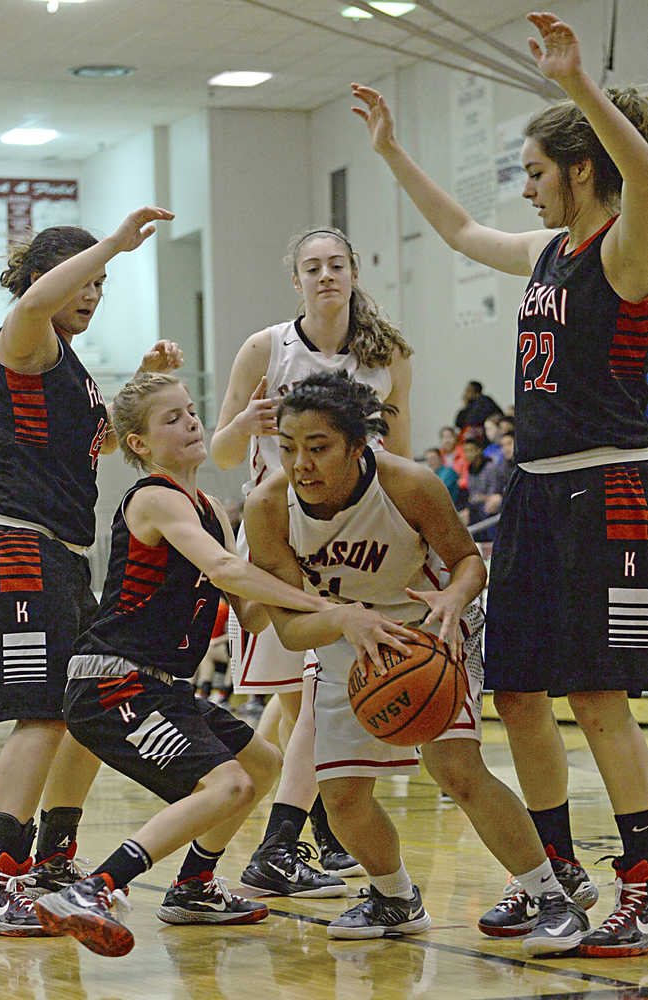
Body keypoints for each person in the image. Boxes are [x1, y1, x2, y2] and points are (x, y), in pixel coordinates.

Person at [353, 9, 648, 956]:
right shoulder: (542, 254)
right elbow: (456, 230)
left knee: (598, 699)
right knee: (516, 693)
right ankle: (555, 875)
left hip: (609, 491)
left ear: (582, 168)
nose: (525, 190)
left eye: (534, 172)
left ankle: (642, 886)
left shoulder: (625, 249)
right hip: (530, 496)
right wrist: (392, 152)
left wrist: (576, 87)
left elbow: (644, 172)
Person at [31, 372, 399, 957]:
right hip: (113, 680)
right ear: (140, 444)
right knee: (226, 784)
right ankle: (95, 888)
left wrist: (310, 579)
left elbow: (249, 614)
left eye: (191, 411)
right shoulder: (154, 497)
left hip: (163, 686)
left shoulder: (213, 513)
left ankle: (194, 886)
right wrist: (328, 607)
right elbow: (226, 572)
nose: (192, 422)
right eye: (171, 418)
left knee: (262, 761)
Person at [243, 370, 588, 954]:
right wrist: (347, 623)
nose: (301, 464)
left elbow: (466, 563)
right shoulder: (269, 507)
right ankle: (394, 897)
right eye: (289, 447)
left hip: (429, 631)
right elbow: (289, 627)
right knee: (341, 796)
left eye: (318, 447)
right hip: (341, 638)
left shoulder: (409, 484)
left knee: (456, 767)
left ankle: (552, 897)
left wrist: (455, 598)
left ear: (359, 446)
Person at [0, 207, 184, 937]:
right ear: (45, 280)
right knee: (45, 713)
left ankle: (54, 859)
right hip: (16, 545)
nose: (93, 293)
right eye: (86, 279)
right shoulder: (25, 335)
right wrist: (112, 242)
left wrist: (147, 382)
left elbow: (99, 444)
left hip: (60, 553)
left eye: (103, 283)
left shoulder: (71, 365)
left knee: (82, 708)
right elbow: (32, 301)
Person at [211, 225, 413, 892]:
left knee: (312, 699)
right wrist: (245, 426)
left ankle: (292, 839)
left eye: (336, 264)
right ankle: (313, 835)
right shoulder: (266, 348)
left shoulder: (387, 356)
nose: (325, 275)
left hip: (358, 543)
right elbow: (221, 454)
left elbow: (399, 460)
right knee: (304, 704)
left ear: (354, 273)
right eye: (312, 267)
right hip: (280, 538)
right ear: (294, 280)